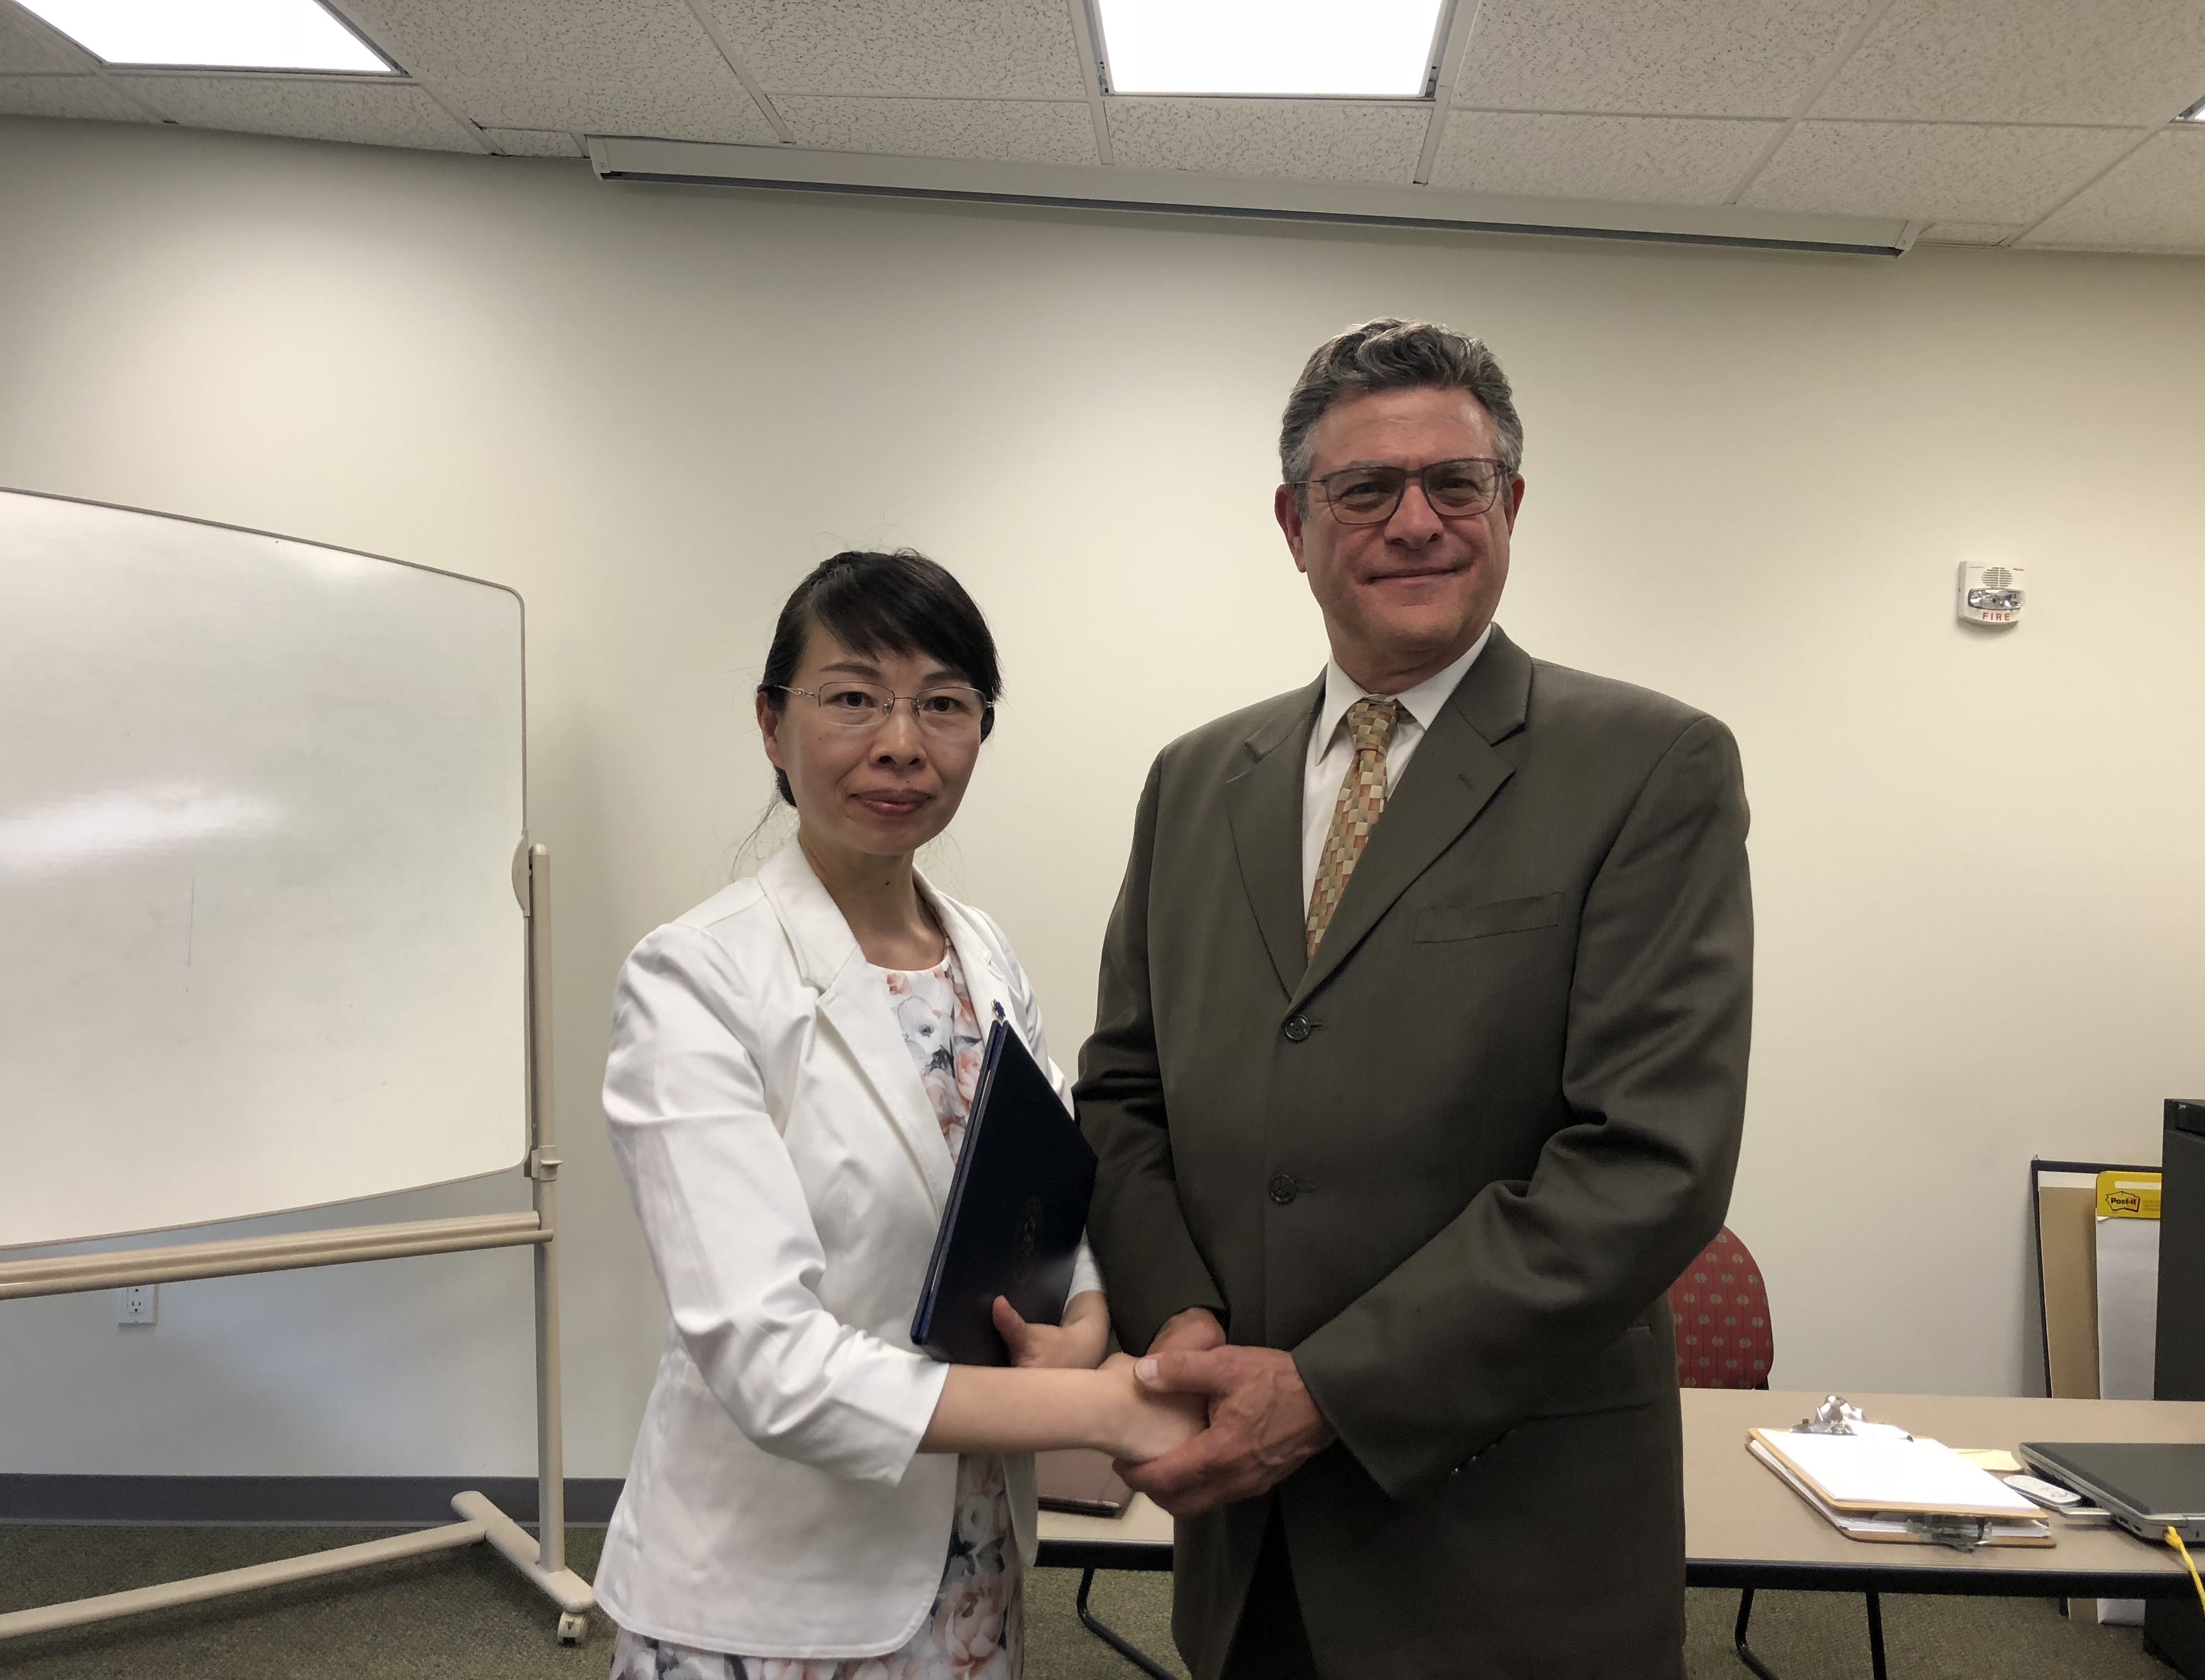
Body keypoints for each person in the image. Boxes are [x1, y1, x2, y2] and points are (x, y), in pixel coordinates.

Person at [1076, 319, 1753, 1679]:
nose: (1417, 522)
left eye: (1458, 482)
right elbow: (1124, 1093)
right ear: (1295, 525)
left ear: (1512, 507)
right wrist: (1183, 1321)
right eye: (1366, 489)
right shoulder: (1196, 780)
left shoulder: (1649, 766)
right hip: (1248, 1539)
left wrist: (1327, 1392)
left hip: (1508, 1549)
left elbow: (1648, 1160)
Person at [595, 550, 1201, 1680]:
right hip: (771, 1595)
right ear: (772, 725)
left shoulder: (984, 952)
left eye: (944, 705)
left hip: (974, 1568)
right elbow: (771, 1361)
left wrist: (1085, 1317)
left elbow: (1046, 1188)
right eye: (853, 697)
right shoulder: (696, 979)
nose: (900, 743)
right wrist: (1099, 1411)